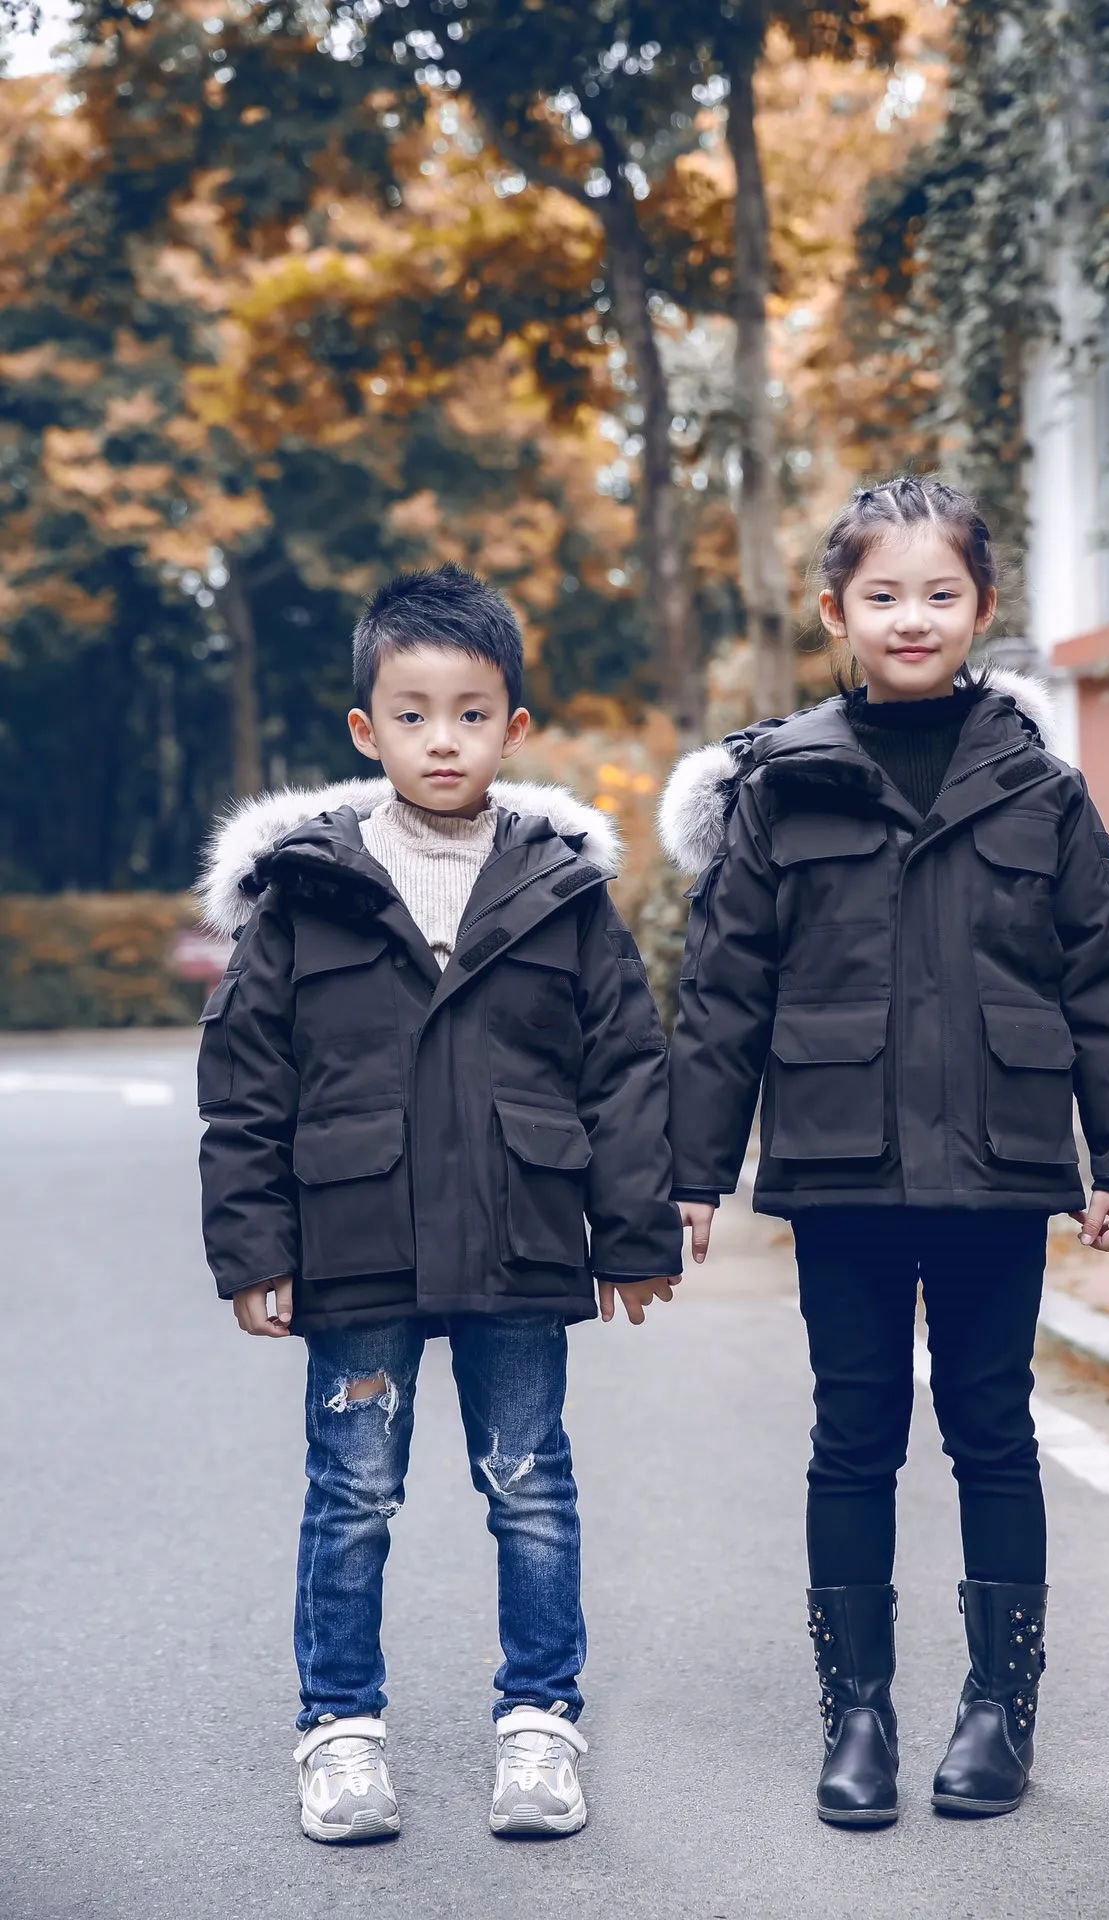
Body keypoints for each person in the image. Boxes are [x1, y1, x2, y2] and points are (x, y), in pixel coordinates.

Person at [659, 476, 1109, 1825]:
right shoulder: (782, 788)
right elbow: (724, 991)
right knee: (853, 1438)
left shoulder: (1041, 792)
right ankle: (861, 1719)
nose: (911, 617)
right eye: (881, 595)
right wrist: (689, 1175)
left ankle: (998, 1716)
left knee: (993, 1431)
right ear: (836, 614)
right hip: (843, 1172)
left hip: (999, 1166)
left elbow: (1106, 975)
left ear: (981, 611)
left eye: (939, 593)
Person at [196, 564, 682, 1844]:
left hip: (520, 1247)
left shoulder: (560, 888)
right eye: (411, 714)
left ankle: (539, 1725)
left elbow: (625, 1068)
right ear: (365, 731)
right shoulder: (305, 890)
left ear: (514, 729)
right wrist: (254, 1246)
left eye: (471, 713)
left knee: (528, 1484)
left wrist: (630, 1236)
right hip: (355, 1250)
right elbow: (246, 1082)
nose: (442, 739)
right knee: (352, 1492)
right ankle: (339, 1732)